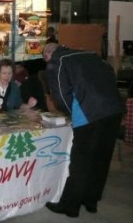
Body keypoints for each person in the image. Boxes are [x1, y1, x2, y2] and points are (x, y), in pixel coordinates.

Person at [42, 43, 126, 218]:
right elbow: (110, 74)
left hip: (90, 113)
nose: (46, 63)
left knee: (81, 161)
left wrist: (71, 113)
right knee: (101, 158)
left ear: (48, 54)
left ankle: (70, 206)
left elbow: (60, 95)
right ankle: (91, 201)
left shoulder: (57, 61)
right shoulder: (91, 54)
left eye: (45, 58)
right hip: (114, 109)